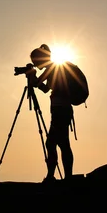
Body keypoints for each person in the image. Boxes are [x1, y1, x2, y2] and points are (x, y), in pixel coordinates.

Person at [26, 44, 74, 183]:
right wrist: (34, 77)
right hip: (62, 109)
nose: (36, 65)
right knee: (62, 143)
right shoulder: (54, 67)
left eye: (36, 62)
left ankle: (53, 177)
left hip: (60, 110)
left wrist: (33, 76)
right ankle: (66, 177)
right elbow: (46, 88)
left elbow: (41, 86)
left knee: (53, 143)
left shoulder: (52, 68)